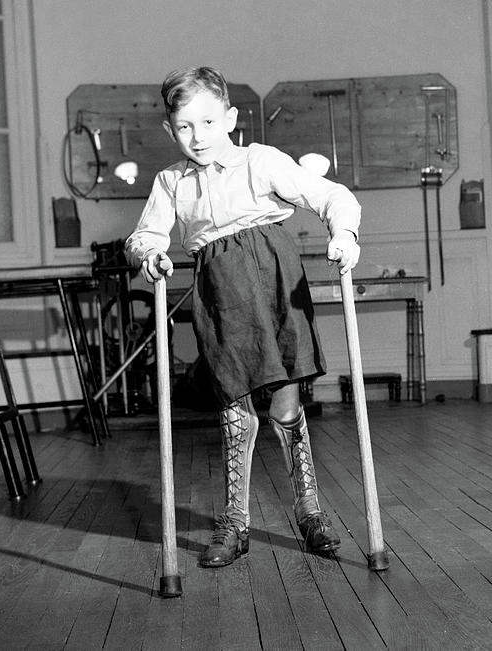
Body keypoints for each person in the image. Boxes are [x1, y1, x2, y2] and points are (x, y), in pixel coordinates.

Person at [125, 66, 361, 568]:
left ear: (230, 118)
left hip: (277, 281)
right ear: (171, 131)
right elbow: (143, 235)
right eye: (185, 127)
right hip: (221, 291)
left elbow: (330, 196)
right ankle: (235, 522)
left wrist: (344, 234)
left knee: (284, 402)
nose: (198, 136)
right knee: (233, 406)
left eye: (208, 123)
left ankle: (309, 510)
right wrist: (150, 254)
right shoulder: (170, 182)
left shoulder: (262, 162)